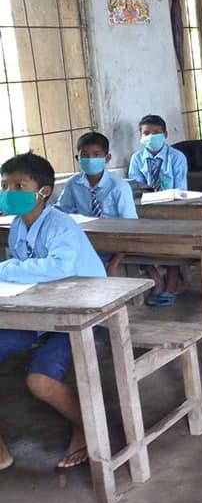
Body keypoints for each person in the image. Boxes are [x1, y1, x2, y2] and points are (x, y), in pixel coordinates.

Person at [0, 152, 107, 473]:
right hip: (38, 312)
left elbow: (57, 267)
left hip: (81, 314)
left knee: (40, 381)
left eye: (19, 186)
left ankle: (85, 426)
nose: (9, 192)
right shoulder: (18, 226)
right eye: (5, 186)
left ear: (43, 191)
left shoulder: (61, 225)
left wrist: (6, 269)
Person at [57, 131, 137, 276]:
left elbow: (131, 228)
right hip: (83, 243)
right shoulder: (73, 184)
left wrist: (115, 263)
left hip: (114, 246)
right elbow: (61, 211)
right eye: (85, 155)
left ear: (107, 158)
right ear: (77, 158)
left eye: (96, 155)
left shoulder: (119, 187)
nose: (90, 159)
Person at [128, 115, 188, 305]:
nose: (151, 137)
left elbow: (181, 189)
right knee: (132, 236)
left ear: (166, 134)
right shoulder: (137, 159)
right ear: (140, 136)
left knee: (173, 237)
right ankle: (154, 276)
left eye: (156, 133)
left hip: (173, 209)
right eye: (146, 133)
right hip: (145, 209)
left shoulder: (177, 157)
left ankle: (172, 280)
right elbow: (136, 188)